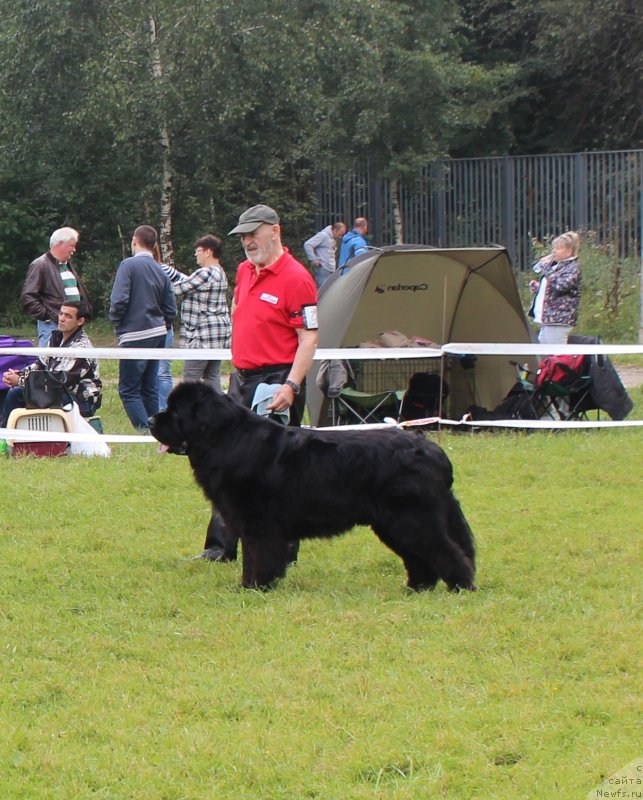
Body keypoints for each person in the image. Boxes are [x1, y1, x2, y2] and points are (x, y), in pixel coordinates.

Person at [195, 203, 318, 561]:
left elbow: (309, 338)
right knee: (225, 464)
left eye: (253, 233)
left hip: (277, 380)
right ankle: (219, 548)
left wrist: (291, 387)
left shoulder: (297, 278)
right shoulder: (245, 271)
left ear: (275, 230)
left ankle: (281, 549)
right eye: (243, 236)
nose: (248, 241)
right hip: (242, 378)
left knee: (275, 472)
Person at [109, 225, 176, 431]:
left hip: (135, 333)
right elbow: (171, 309)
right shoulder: (160, 269)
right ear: (155, 245)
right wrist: (163, 324)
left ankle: (144, 430)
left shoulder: (127, 265)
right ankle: (158, 430)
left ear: (134, 241)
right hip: (158, 333)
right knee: (149, 387)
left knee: (128, 389)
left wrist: (117, 321)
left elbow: (119, 300)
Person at [1, 301, 102, 426]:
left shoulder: (81, 348)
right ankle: (6, 438)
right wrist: (19, 373)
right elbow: (41, 364)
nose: (62, 319)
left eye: (68, 316)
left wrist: (21, 380)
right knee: (14, 393)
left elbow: (60, 380)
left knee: (23, 390)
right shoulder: (56, 338)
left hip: (80, 399)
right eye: (61, 314)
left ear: (80, 321)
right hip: (56, 392)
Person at [171, 234, 231, 393]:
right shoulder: (220, 272)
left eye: (198, 250)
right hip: (218, 333)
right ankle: (218, 413)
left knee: (191, 376)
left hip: (204, 334)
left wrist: (162, 279)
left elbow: (177, 289)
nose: (195, 254)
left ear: (208, 252)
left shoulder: (206, 273)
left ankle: (189, 414)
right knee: (212, 375)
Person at [21, 227, 92, 347]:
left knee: (72, 361)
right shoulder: (40, 264)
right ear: (60, 244)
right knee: (50, 362)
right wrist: (48, 316)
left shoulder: (67, 266)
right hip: (52, 326)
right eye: (72, 245)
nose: (74, 250)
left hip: (73, 325)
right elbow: (28, 296)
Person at [528, 231, 582, 344]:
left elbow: (560, 286)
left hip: (558, 320)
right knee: (543, 357)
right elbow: (552, 285)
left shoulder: (573, 268)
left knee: (556, 357)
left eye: (558, 249)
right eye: (554, 248)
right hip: (547, 320)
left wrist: (546, 267)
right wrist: (539, 288)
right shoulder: (556, 267)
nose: (554, 252)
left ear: (568, 251)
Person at [152, 243, 185, 411]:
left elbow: (187, 281)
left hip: (163, 327)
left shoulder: (163, 269)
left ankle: (165, 409)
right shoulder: (138, 270)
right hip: (149, 328)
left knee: (162, 372)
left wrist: (169, 291)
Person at [304, 220, 347, 289]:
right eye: (340, 234)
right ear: (335, 230)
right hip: (322, 269)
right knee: (322, 292)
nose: (340, 237)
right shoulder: (323, 235)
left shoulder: (332, 238)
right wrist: (314, 260)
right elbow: (308, 244)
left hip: (330, 269)